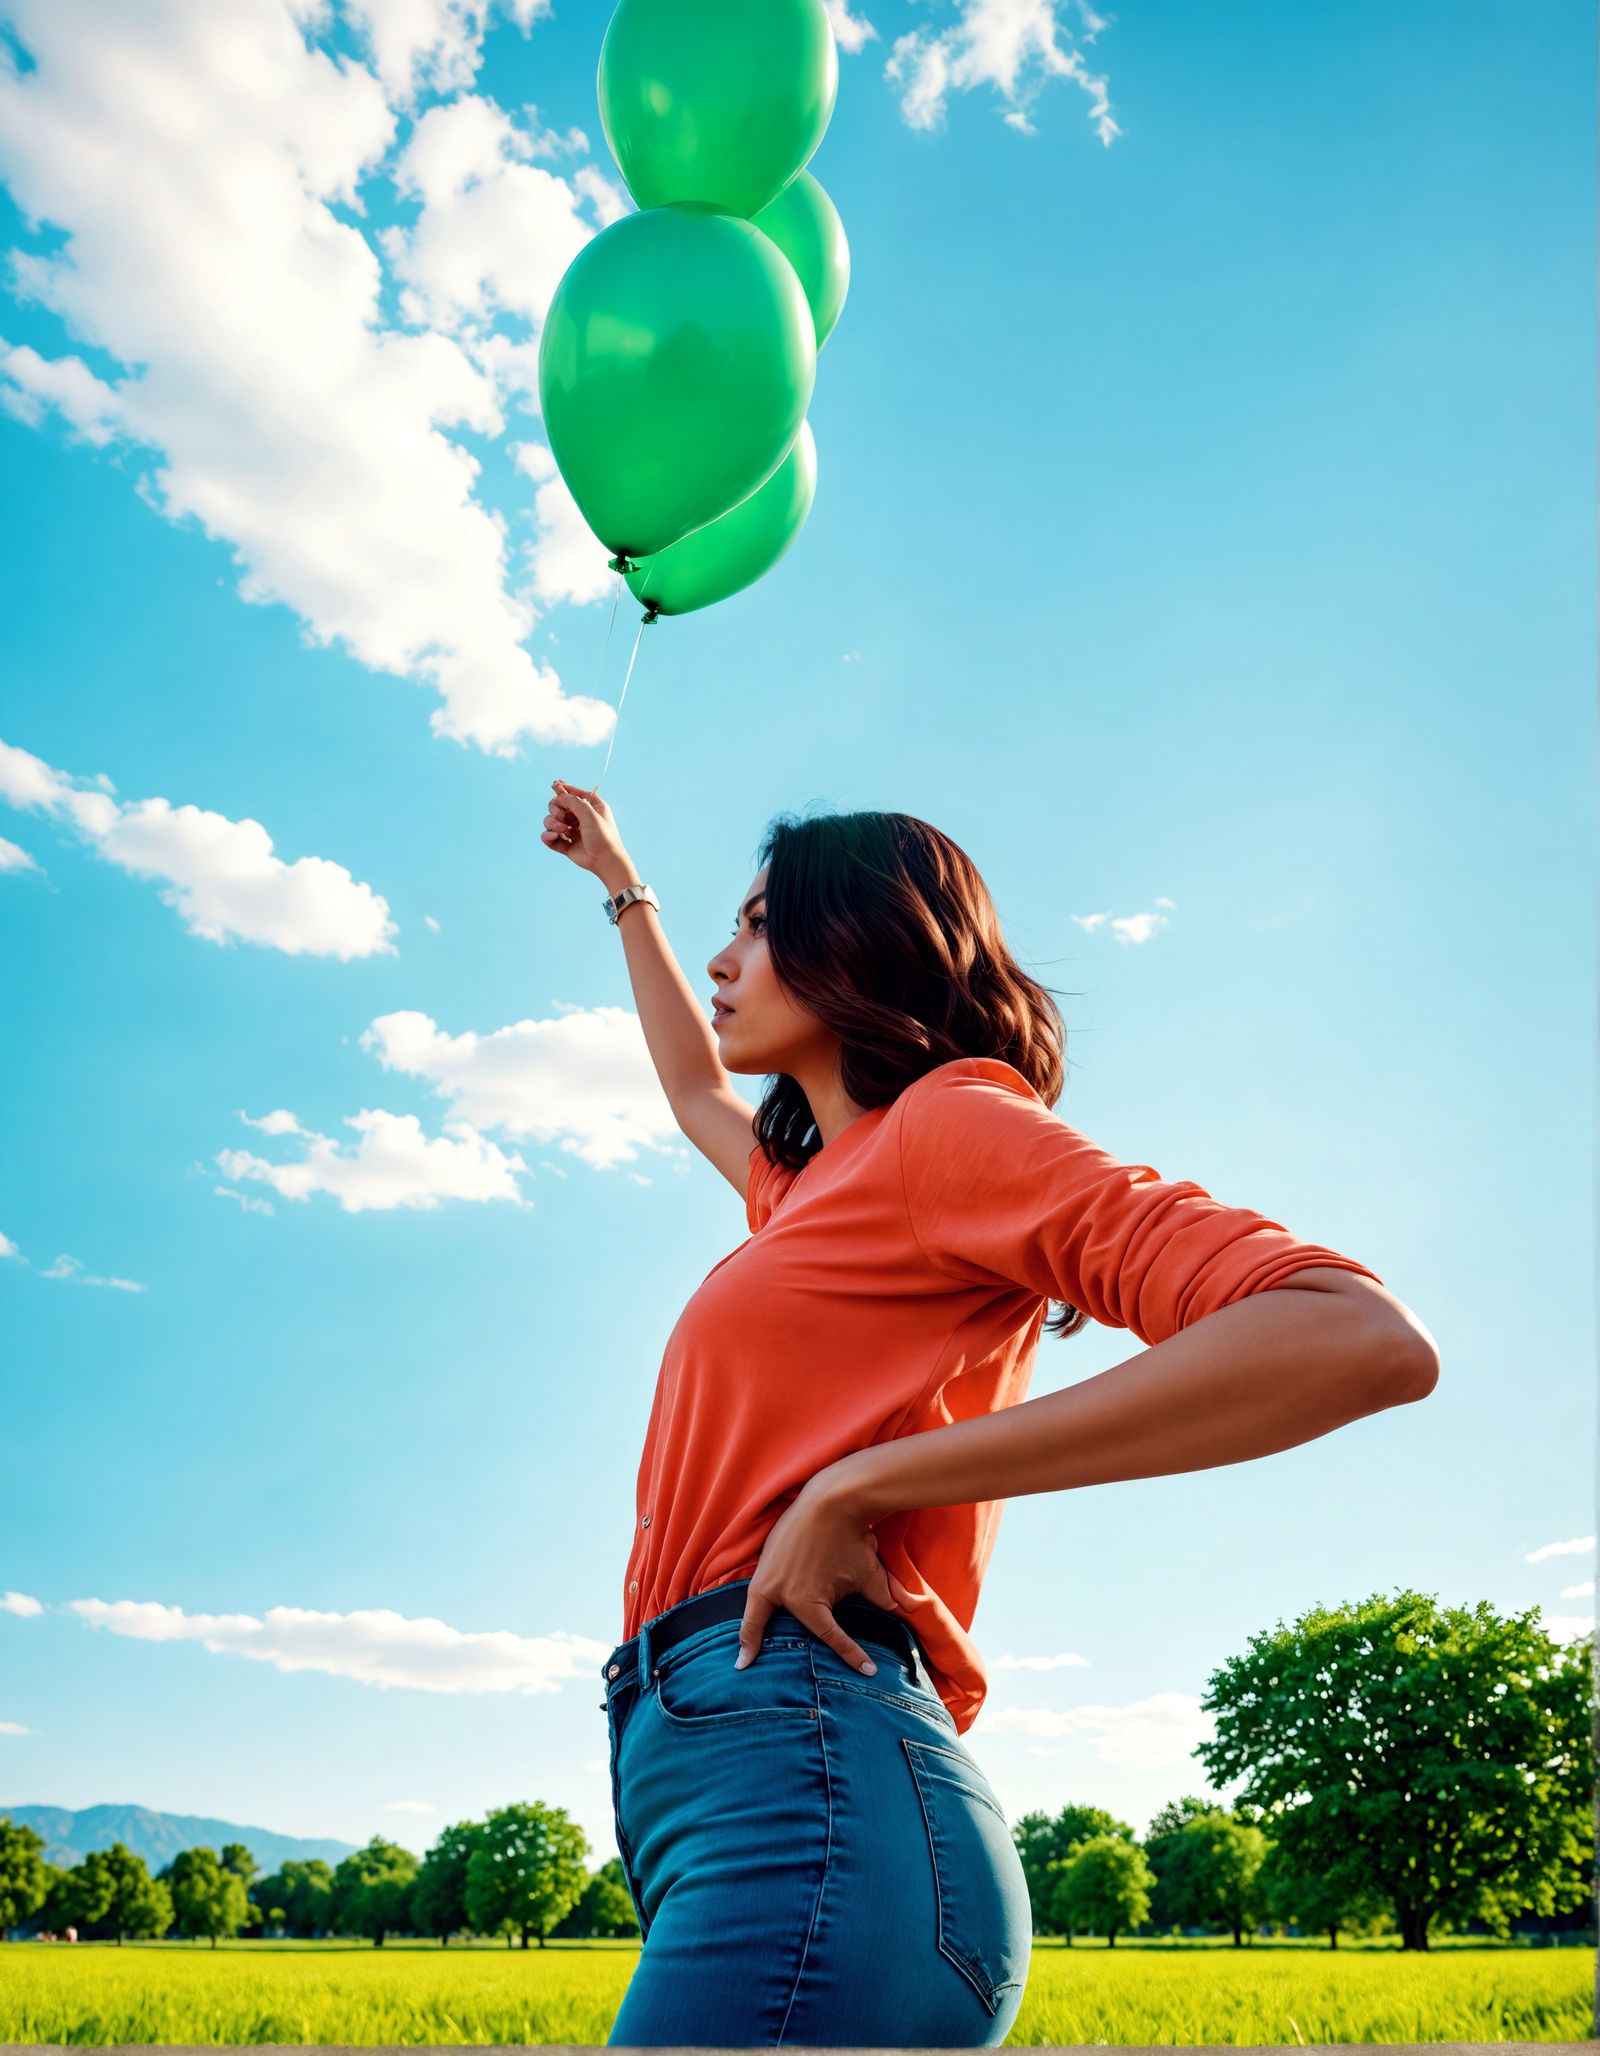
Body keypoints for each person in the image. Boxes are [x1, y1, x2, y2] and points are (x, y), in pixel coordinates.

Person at [541, 781, 1439, 2048]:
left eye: (761, 925)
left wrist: (860, 1484)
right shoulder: (805, 1192)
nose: (722, 958)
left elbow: (1354, 1335)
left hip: (810, 1770)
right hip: (712, 1768)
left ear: (863, 941)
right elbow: (694, 1088)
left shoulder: (947, 1129)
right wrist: (619, 883)